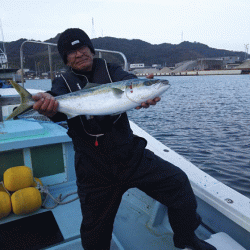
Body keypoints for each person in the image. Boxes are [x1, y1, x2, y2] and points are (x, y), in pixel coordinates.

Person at [33, 28, 216, 250]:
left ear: (90, 49)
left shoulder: (111, 70)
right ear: (66, 58)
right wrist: (49, 108)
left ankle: (186, 237)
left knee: (178, 183)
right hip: (93, 167)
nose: (79, 54)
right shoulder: (63, 81)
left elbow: (130, 82)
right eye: (72, 52)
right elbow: (57, 105)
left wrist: (144, 92)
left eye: (82, 47)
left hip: (129, 155)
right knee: (94, 231)